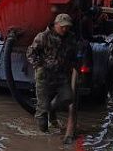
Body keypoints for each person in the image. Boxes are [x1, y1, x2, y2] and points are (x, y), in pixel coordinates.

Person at [26, 14, 78, 143]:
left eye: (67, 27)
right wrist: (39, 66)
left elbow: (73, 54)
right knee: (42, 108)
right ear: (56, 25)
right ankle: (43, 135)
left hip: (61, 75)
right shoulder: (43, 36)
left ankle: (52, 109)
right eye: (62, 27)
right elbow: (30, 53)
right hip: (44, 76)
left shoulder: (70, 38)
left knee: (68, 97)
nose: (65, 29)